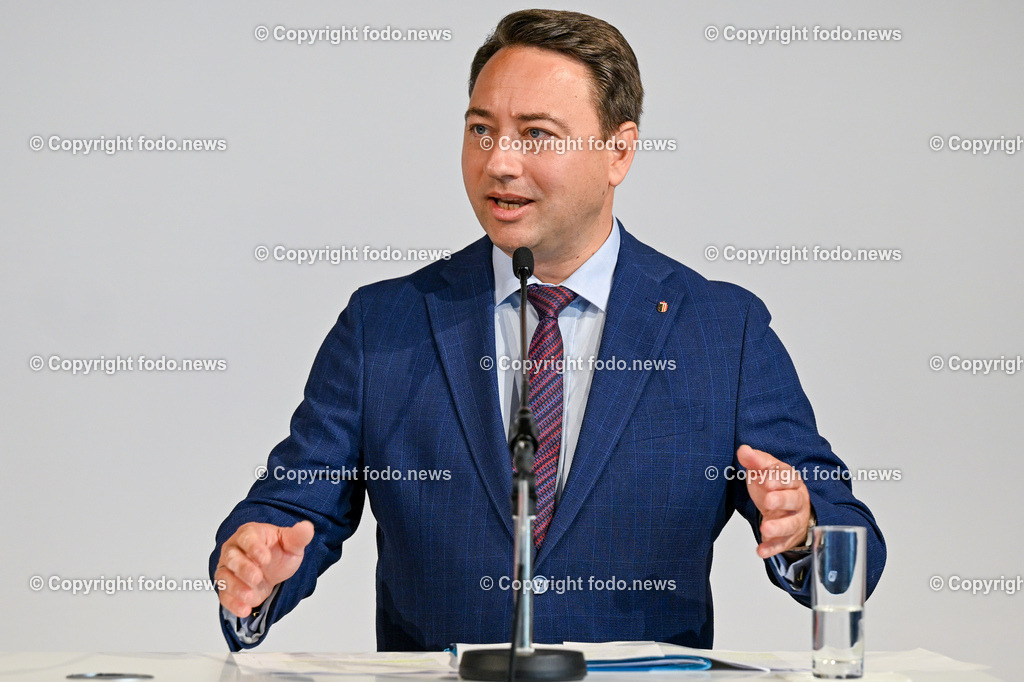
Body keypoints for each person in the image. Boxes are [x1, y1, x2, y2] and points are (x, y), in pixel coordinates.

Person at [210, 9, 885, 651]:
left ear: (617, 153)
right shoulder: (384, 325)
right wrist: (255, 565)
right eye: (482, 130)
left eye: (537, 135)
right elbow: (292, 509)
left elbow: (848, 533)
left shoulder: (719, 331)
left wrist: (804, 532)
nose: (500, 163)